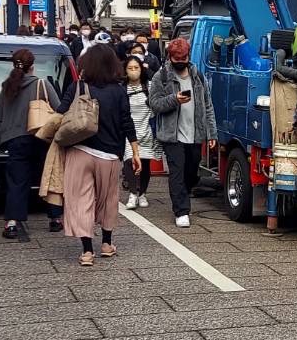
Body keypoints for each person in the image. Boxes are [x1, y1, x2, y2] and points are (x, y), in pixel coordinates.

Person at [56, 42, 139, 266]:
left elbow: (61, 114)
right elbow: (126, 122)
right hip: (110, 156)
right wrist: (135, 150)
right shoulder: (119, 91)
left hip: (79, 151)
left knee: (81, 200)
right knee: (108, 199)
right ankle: (106, 244)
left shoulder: (77, 87)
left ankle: (86, 252)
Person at [0, 47, 62, 241]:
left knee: (17, 181)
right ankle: (55, 218)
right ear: (33, 66)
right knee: (48, 177)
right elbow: (58, 110)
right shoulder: (42, 84)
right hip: (41, 137)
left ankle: (12, 222)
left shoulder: (7, 86)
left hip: (15, 140)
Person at [148, 35, 215, 228]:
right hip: (172, 135)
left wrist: (212, 133)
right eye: (176, 59)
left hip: (195, 133)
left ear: (188, 56)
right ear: (169, 58)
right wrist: (174, 99)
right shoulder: (161, 77)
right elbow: (154, 104)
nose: (179, 62)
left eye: (183, 59)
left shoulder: (197, 75)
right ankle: (181, 210)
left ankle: (182, 196)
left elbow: (207, 105)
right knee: (176, 172)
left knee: (191, 172)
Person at [123, 55, 161, 209]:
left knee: (145, 163)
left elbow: (157, 106)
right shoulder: (122, 88)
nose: (133, 71)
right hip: (128, 131)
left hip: (146, 130)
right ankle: (132, 193)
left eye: (136, 68)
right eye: (130, 68)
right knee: (128, 160)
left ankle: (142, 193)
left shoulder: (150, 86)